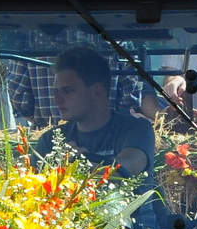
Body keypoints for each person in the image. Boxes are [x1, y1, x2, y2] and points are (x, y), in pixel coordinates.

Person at [34, 47, 155, 178]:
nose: (57, 99)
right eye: (56, 91)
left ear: (97, 90)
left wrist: (82, 165)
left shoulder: (136, 129)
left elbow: (125, 170)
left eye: (68, 90)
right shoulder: (49, 141)